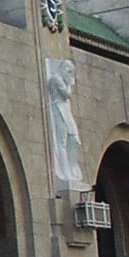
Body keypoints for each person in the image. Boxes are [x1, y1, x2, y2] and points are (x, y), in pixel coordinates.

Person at [47, 58, 84, 186]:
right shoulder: (56, 79)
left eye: (71, 72)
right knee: (61, 143)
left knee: (75, 140)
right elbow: (67, 95)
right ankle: (64, 172)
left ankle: (72, 166)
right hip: (58, 110)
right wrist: (69, 84)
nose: (70, 75)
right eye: (68, 71)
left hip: (66, 111)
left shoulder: (62, 79)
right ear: (63, 68)